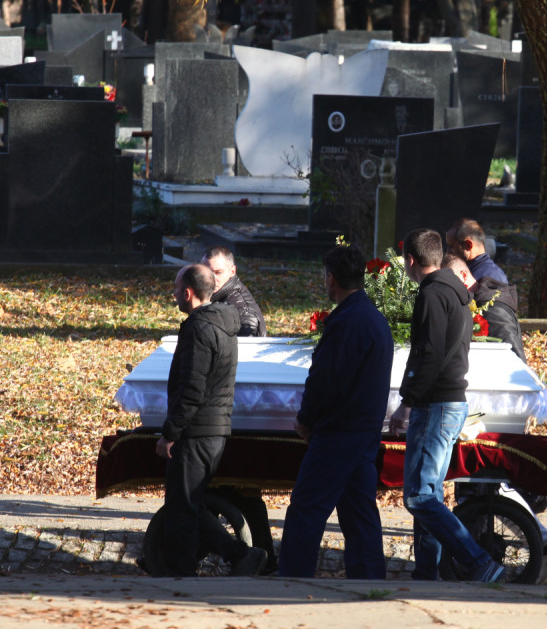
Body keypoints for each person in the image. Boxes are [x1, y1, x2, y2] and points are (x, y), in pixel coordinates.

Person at [443, 253, 547, 583]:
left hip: (496, 403)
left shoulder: (491, 305)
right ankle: (539, 546)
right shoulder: (477, 300)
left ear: (460, 278)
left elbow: (509, 355)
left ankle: (545, 545)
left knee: (493, 480)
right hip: (480, 400)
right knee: (483, 484)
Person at [387, 228, 504, 583]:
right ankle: (426, 572)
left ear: (410, 260)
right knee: (430, 493)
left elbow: (430, 353)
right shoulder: (455, 292)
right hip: (448, 401)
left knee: (419, 497)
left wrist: (407, 402)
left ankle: (479, 560)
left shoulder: (433, 293)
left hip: (435, 404)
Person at [278, 244, 394, 579]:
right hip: (363, 431)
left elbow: (325, 379)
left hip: (339, 432)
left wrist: (306, 418)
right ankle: (369, 576)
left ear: (331, 279)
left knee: (306, 508)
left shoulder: (346, 321)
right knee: (359, 513)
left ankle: (293, 577)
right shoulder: (373, 317)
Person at [155, 263, 268, 577]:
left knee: (182, 509)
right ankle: (241, 555)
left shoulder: (199, 328)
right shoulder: (224, 324)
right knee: (189, 503)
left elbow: (192, 388)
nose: (174, 293)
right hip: (214, 427)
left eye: (177, 288)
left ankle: (179, 573)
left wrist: (170, 432)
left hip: (196, 431)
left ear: (188, 293)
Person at [201, 246, 267, 337]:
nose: (212, 278)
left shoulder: (245, 316)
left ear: (232, 271)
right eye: (207, 272)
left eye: (218, 272)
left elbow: (246, 350)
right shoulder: (214, 297)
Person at [445, 218, 508, 284]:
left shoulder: (485, 278)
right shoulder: (489, 272)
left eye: (451, 246)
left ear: (468, 245)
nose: (448, 252)